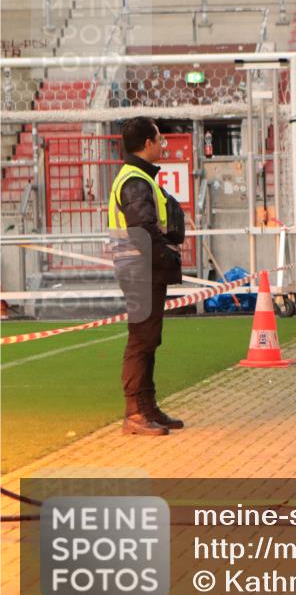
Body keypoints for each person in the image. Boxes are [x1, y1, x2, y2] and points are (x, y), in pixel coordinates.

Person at [108, 117, 186, 435]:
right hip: (141, 270)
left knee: (149, 339)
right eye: (160, 139)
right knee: (142, 341)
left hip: (143, 268)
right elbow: (142, 228)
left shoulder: (139, 178)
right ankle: (135, 413)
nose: (163, 144)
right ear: (147, 144)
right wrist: (167, 256)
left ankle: (147, 407)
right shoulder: (135, 181)